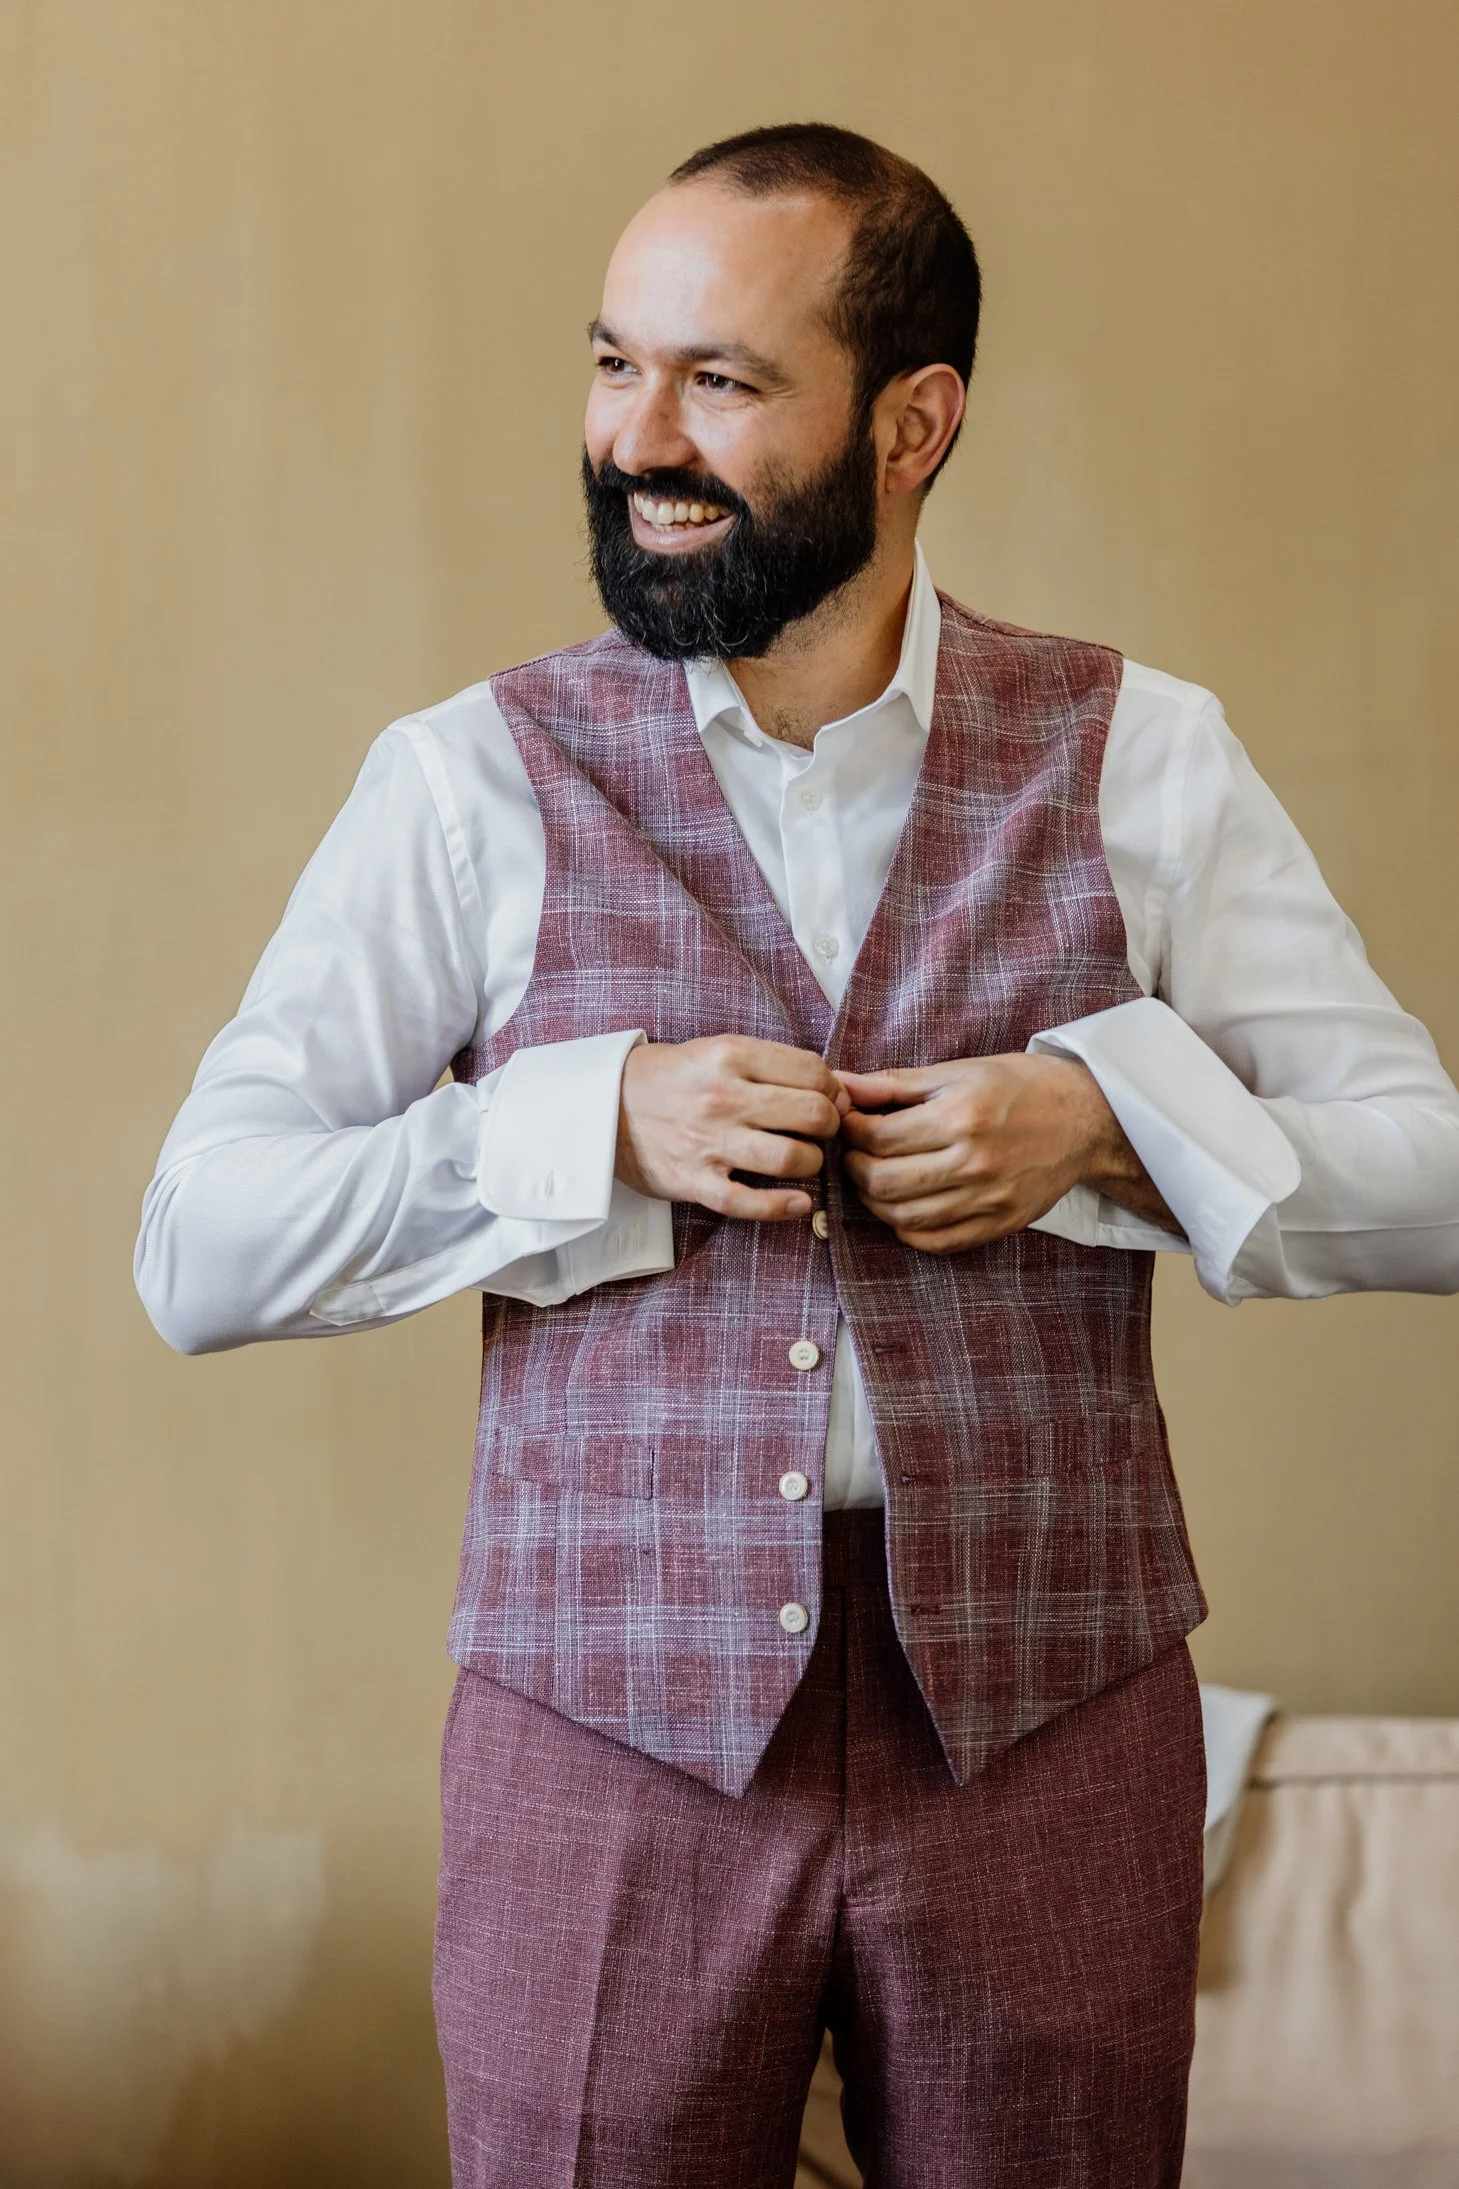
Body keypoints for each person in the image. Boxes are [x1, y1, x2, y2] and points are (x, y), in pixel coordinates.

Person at [136, 122, 1459, 2189]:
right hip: (606, 1741)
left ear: (915, 421)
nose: (634, 437)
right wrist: (589, 1120)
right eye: (610, 365)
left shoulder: (1146, 757)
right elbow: (198, 1241)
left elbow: (1433, 1169)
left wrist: (1116, 1118)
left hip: (1051, 1725)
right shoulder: (469, 781)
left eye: (719, 382)